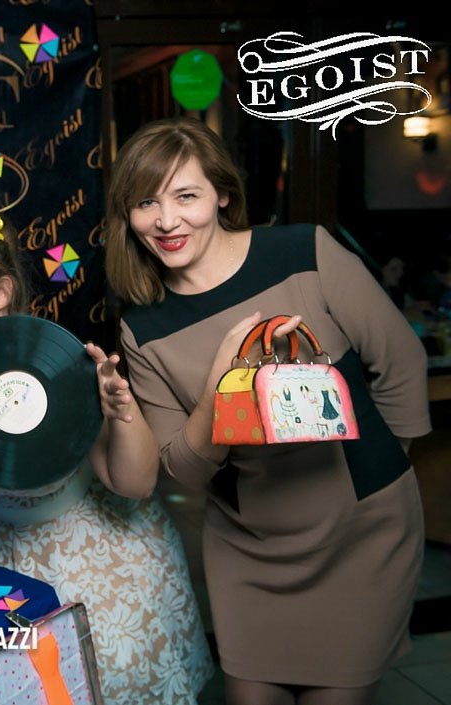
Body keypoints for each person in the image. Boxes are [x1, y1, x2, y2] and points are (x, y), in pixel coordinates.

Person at [104, 117, 430, 705]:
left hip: (363, 536)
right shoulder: (142, 326)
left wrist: (384, 471)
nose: (167, 220)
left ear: (222, 195)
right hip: (249, 549)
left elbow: (400, 362)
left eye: (186, 196)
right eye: (146, 203)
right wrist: (221, 385)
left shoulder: (304, 253)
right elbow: (183, 468)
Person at [0, 211, 214, 705]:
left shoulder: (59, 359)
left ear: (2, 291)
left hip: (101, 554)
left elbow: (134, 483)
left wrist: (121, 412)